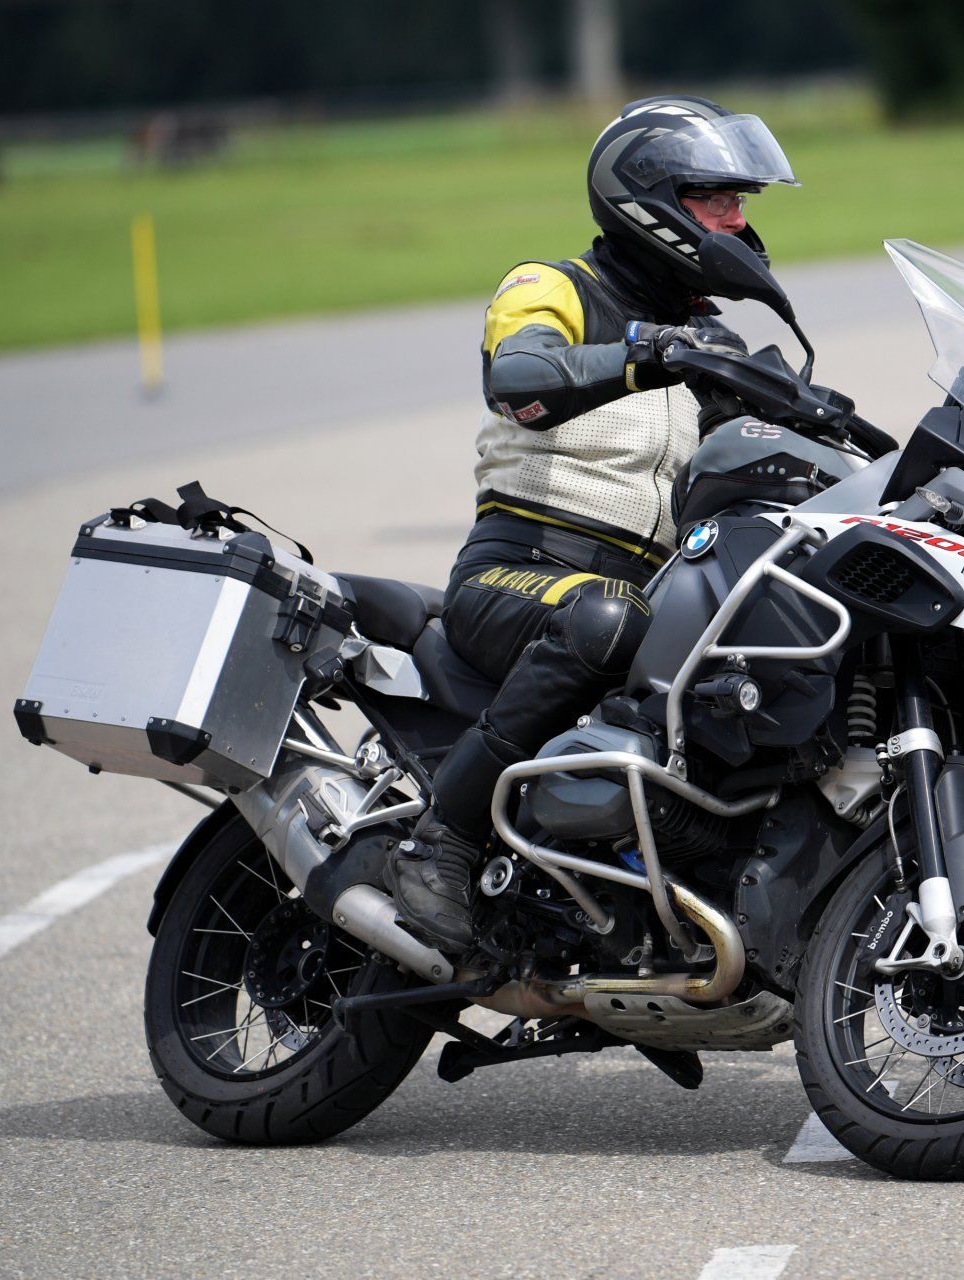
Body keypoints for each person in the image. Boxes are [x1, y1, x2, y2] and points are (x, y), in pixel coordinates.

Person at [388, 96, 800, 954]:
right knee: (610, 621)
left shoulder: (710, 339)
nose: (736, 220)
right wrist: (650, 351)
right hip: (519, 573)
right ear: (648, 200)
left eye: (740, 202)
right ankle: (443, 837)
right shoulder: (553, 289)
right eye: (715, 199)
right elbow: (520, 376)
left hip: (649, 593)